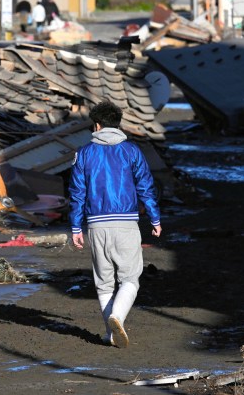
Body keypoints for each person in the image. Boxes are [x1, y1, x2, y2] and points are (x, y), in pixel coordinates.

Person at [70, 101, 162, 348]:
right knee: (131, 279)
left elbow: (77, 192)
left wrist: (76, 227)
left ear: (97, 125)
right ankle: (117, 318)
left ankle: (110, 334)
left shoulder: (84, 152)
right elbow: (145, 185)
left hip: (96, 224)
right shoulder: (132, 150)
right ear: (118, 124)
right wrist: (155, 218)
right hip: (127, 222)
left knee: (104, 282)